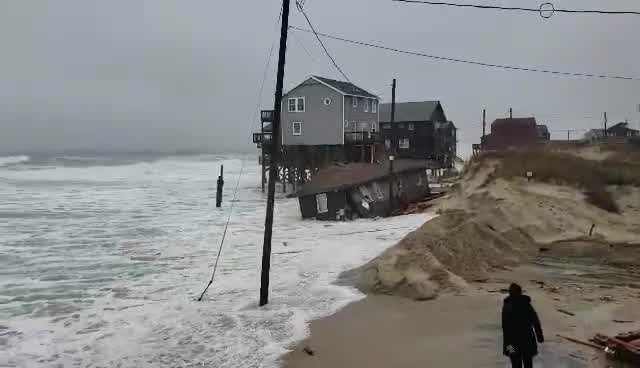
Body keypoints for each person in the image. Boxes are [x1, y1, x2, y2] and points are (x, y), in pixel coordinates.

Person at [502, 283, 544, 368]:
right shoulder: (526, 304)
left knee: (515, 363)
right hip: (527, 340)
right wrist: (539, 336)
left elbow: (505, 326)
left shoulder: (507, 306)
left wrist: (507, 345)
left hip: (511, 341)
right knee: (528, 363)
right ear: (520, 292)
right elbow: (535, 321)